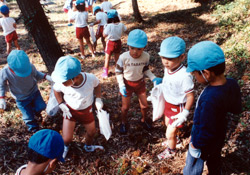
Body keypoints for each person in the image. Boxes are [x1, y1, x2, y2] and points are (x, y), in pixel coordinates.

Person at [183, 41, 242, 174]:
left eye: (195, 74)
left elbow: (205, 127)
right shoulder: (232, 83)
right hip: (219, 134)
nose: (194, 77)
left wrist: (195, 145)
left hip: (202, 142)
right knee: (215, 158)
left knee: (192, 167)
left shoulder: (209, 99)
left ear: (206, 73)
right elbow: (237, 108)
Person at [51, 55, 104, 158]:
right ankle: (65, 147)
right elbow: (56, 90)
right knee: (66, 138)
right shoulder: (61, 84)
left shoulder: (90, 79)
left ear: (76, 77)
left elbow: (97, 85)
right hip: (70, 111)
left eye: (64, 81)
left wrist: (98, 98)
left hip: (86, 110)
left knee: (92, 131)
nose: (61, 83)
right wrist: (61, 104)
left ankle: (88, 146)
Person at [115, 29, 162, 134]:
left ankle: (144, 120)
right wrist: (121, 85)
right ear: (128, 46)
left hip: (140, 84)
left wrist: (153, 77)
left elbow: (145, 69)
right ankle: (123, 122)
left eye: (139, 49)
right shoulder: (123, 57)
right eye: (132, 48)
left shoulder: (146, 56)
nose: (135, 52)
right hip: (127, 84)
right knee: (125, 107)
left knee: (145, 105)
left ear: (144, 48)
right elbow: (118, 72)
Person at [156, 36, 195, 160]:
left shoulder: (185, 76)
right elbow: (168, 82)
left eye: (170, 58)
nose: (166, 61)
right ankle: (175, 138)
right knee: (167, 123)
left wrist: (185, 113)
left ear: (182, 57)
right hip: (168, 102)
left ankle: (171, 150)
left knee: (169, 132)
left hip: (178, 106)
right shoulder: (167, 69)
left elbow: (190, 96)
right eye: (163, 57)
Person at [0, 50, 53, 133]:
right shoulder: (5, 72)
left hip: (34, 92)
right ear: (11, 67)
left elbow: (36, 74)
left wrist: (46, 76)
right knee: (28, 117)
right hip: (21, 98)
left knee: (41, 106)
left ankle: (35, 113)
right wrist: (2, 98)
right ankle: (34, 130)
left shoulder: (30, 66)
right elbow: (1, 84)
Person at [102, 9, 126, 78]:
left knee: (107, 58)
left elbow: (104, 35)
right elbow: (125, 29)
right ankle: (118, 70)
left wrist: (105, 28)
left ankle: (105, 73)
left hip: (110, 42)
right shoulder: (121, 24)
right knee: (117, 58)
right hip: (118, 42)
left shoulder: (109, 26)